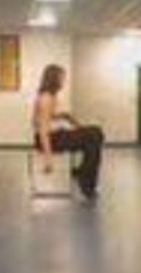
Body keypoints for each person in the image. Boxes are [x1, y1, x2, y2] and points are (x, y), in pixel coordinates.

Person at [32, 64, 104, 199]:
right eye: (61, 78)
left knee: (95, 134)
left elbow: (49, 117)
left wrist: (66, 117)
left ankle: (84, 174)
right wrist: (48, 157)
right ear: (53, 79)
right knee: (94, 135)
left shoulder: (50, 96)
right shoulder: (46, 98)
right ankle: (85, 179)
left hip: (56, 135)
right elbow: (42, 129)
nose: (63, 81)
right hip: (50, 139)